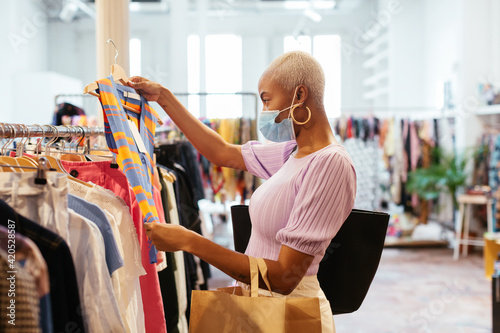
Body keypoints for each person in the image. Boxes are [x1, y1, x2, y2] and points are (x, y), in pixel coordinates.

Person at [129, 50, 357, 333]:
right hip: (260, 306)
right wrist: (163, 97)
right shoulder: (292, 154)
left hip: (290, 313)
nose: (265, 111)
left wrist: (191, 242)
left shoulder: (330, 163)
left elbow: (285, 278)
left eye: (266, 99)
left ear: (299, 95)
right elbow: (221, 152)